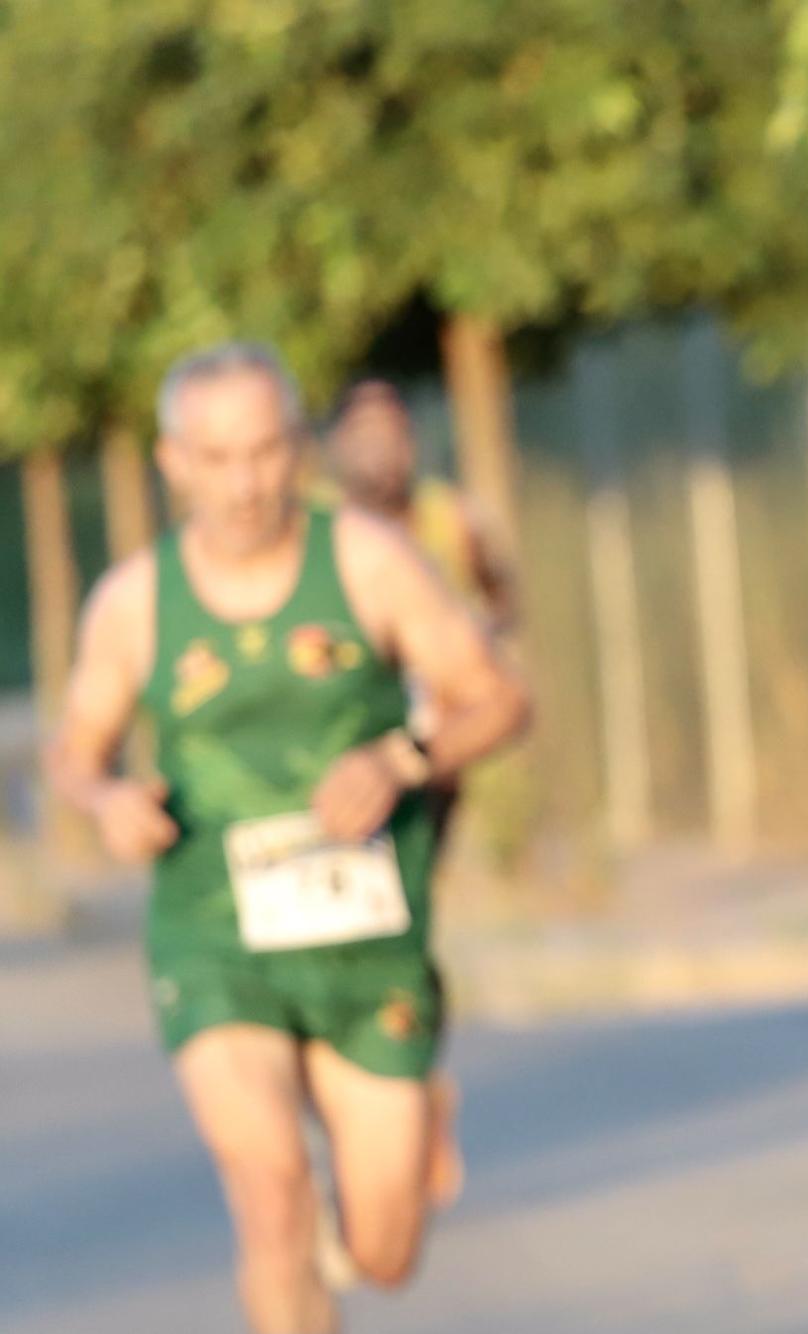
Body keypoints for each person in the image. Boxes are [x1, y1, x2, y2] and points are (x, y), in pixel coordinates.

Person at [46, 342, 532, 1334]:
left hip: (366, 937)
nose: (243, 482)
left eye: (266, 452)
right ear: (172, 460)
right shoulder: (136, 602)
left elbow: (498, 698)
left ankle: (413, 1108)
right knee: (270, 1194)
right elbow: (75, 751)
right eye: (216, 457)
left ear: (300, 450)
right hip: (215, 936)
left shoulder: (366, 559)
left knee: (387, 1253)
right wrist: (106, 801)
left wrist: (402, 758)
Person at [324, 378, 515, 633]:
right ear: (340, 442)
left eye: (391, 433)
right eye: (367, 434)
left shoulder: (453, 518)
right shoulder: (318, 527)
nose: (381, 449)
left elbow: (501, 598)